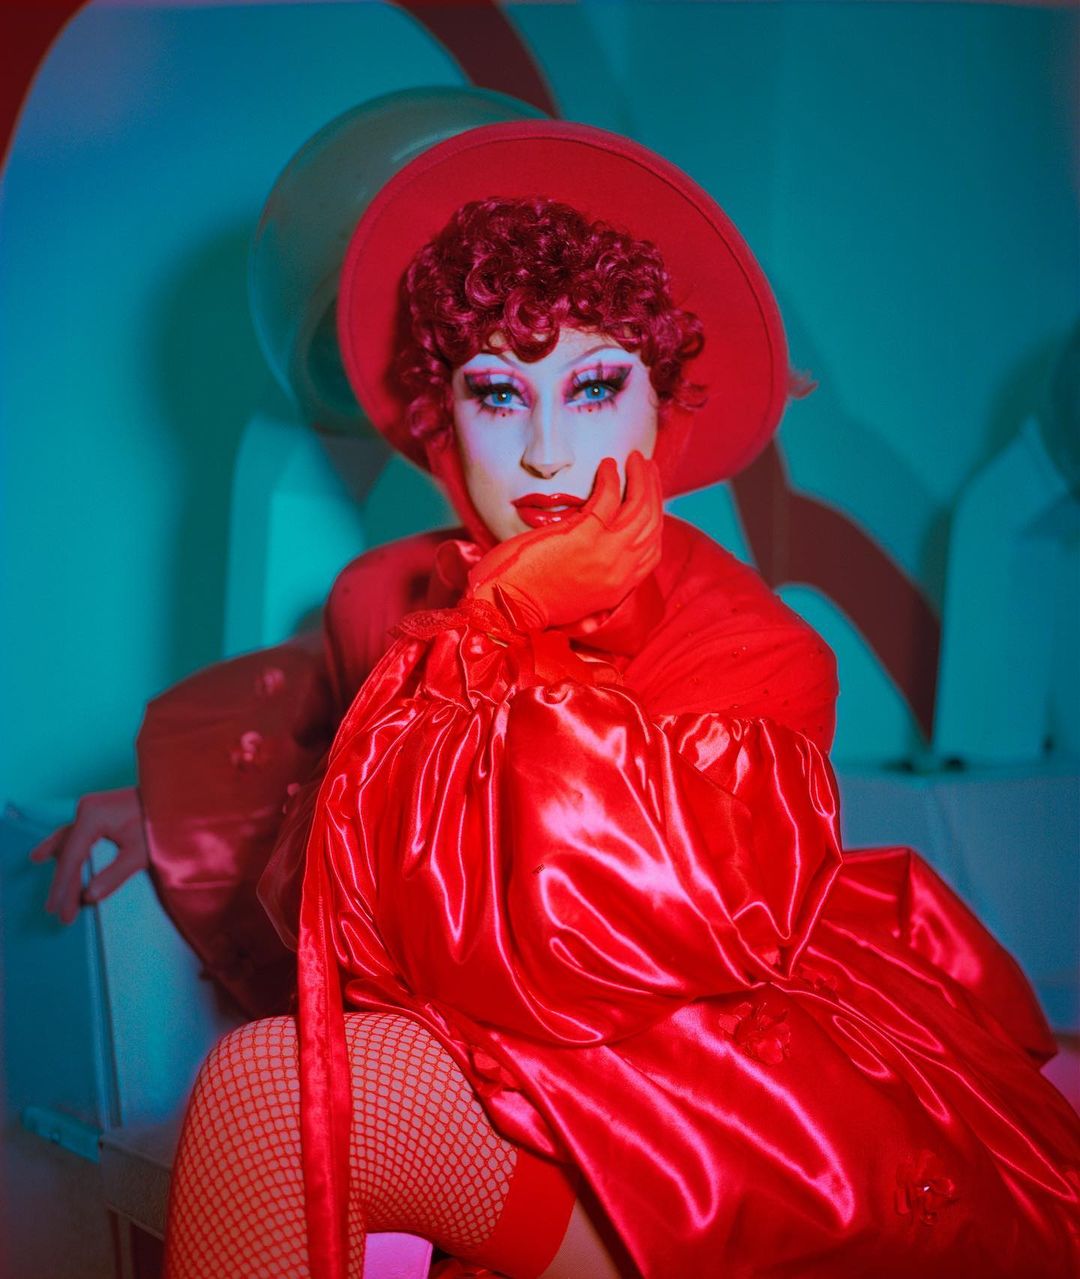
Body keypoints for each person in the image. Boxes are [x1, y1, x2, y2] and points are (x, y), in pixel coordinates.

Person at [35, 122, 1080, 1278]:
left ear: (660, 411)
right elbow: (331, 755)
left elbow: (591, 942)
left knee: (269, 1094)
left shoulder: (766, 650)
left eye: (592, 386)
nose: (543, 451)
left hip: (708, 1083)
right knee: (269, 1093)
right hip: (481, 1053)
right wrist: (172, 806)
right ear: (444, 423)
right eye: (497, 392)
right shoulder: (381, 595)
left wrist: (503, 625)